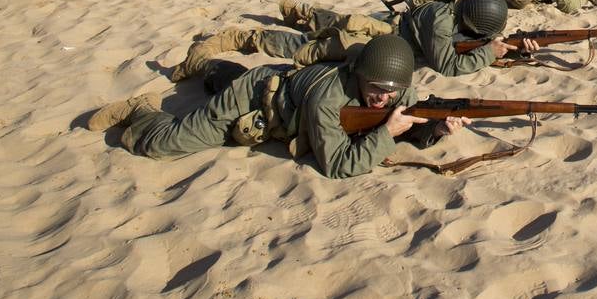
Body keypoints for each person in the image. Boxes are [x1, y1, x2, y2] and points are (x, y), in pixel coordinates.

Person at [88, 35, 466, 179]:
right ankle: (141, 110)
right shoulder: (330, 99)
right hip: (255, 97)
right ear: (359, 74)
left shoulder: (397, 86)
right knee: (164, 145)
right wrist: (384, 134)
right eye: (375, 89)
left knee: (225, 78)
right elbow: (336, 166)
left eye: (392, 92)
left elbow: (409, 121)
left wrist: (435, 128)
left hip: (285, 91)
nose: (383, 98)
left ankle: (216, 70)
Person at [170, 0, 538, 82]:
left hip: (385, 30)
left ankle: (303, 12)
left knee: (334, 19)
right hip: (370, 41)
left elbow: (463, 49)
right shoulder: (441, 21)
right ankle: (242, 38)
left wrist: (509, 50)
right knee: (307, 47)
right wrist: (490, 53)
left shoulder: (453, 16)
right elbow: (445, 64)